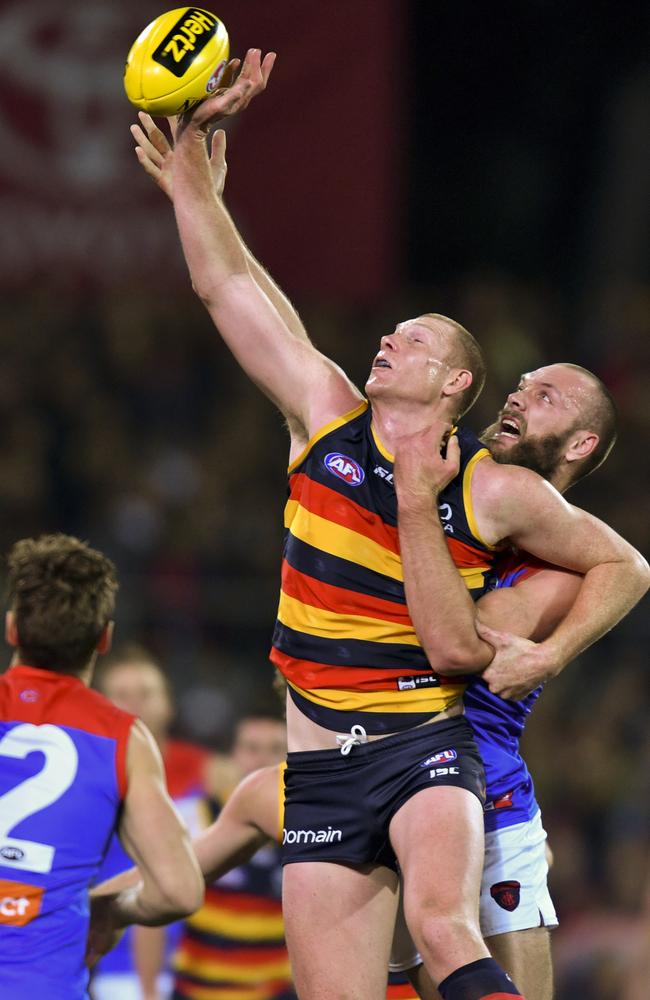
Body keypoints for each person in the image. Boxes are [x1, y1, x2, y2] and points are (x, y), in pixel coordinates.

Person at [134, 51, 649, 1000]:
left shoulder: (496, 490)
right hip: (324, 761)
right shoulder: (326, 417)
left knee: (445, 932)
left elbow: (617, 567)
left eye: (413, 337)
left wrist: (551, 654)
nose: (386, 337)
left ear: (455, 383)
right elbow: (232, 293)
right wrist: (193, 175)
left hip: (431, 747)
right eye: (391, 330)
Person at [0, 534, 204, 1000]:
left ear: (12, 629)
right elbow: (178, 891)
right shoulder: (123, 739)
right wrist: (109, 911)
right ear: (105, 638)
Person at [91, 645, 210, 1000]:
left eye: (146, 693)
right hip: (116, 971)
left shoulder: (211, 773)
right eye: (122, 694)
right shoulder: (88, 778)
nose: (136, 704)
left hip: (207, 968)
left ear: (169, 703)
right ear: (98, 706)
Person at [171, 710, 296, 1000]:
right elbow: (154, 910)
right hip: (196, 991)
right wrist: (149, 990)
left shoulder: (315, 826)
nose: (263, 759)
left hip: (276, 994)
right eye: (252, 748)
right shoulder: (192, 819)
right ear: (232, 755)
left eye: (276, 749)